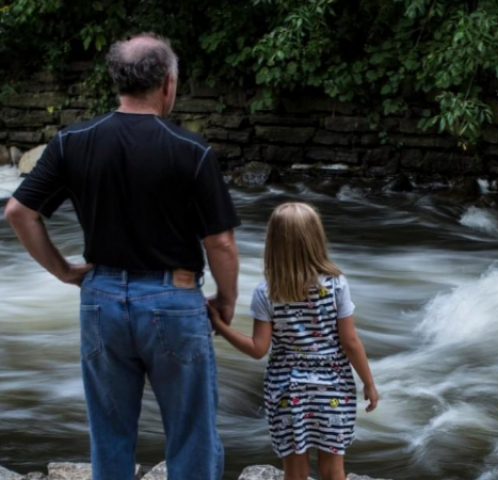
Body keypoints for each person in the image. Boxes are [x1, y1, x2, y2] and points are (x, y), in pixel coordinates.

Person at [4, 33, 240, 480]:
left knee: (110, 434)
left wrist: (64, 271)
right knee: (192, 434)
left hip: (101, 299)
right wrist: (226, 300)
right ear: (168, 83)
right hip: (174, 298)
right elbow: (221, 244)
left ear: (118, 81)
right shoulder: (192, 150)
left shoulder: (74, 141)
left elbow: (19, 212)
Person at [208, 202, 378, 480]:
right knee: (333, 470)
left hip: (287, 391)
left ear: (273, 241)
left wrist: (220, 326)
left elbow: (258, 349)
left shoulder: (267, 291)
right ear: (315, 239)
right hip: (333, 389)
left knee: (295, 471)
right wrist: (368, 383)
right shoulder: (336, 284)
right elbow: (350, 342)